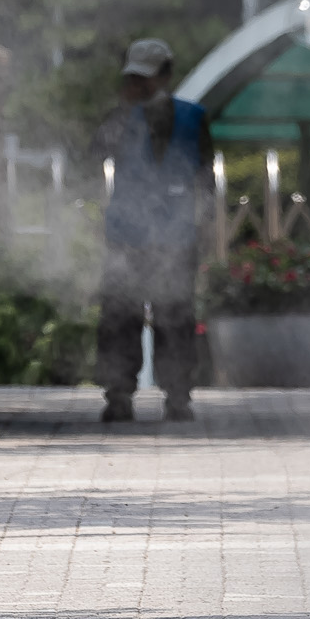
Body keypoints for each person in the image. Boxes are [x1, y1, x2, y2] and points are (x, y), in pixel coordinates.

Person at [90, 37, 208, 422]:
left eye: (147, 77)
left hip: (176, 236)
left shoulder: (194, 118)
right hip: (126, 235)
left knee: (175, 315)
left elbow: (204, 176)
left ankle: (178, 396)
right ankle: (118, 395)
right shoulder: (119, 119)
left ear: (166, 75)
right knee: (119, 315)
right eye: (134, 78)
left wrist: (200, 223)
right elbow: (91, 155)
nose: (140, 85)